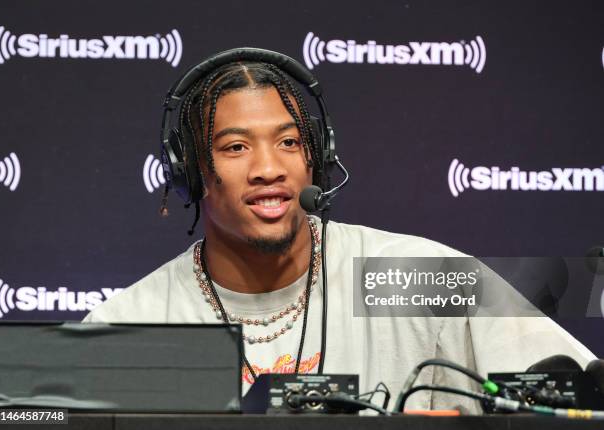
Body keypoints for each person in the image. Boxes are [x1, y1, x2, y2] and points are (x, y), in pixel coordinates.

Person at [83, 50, 596, 413]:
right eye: (235, 147)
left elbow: (575, 387)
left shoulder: (414, 276)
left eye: (288, 142)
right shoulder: (132, 323)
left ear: (318, 161)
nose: (269, 168)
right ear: (190, 173)